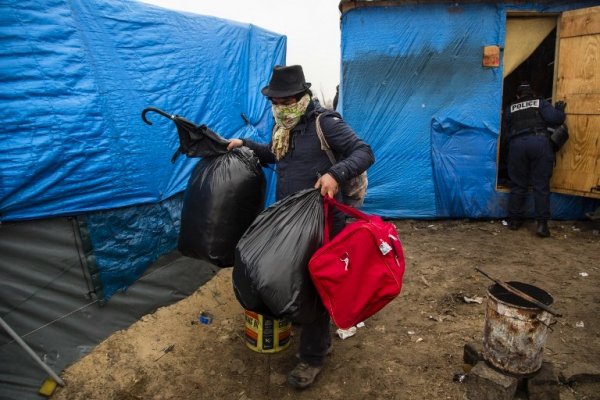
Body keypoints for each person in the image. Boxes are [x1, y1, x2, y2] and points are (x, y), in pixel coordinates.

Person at [227, 64, 374, 389]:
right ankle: (297, 321)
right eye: (275, 102)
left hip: (321, 222)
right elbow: (276, 157)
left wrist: (335, 174)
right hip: (289, 220)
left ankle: (313, 356)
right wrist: (246, 144)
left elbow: (364, 152)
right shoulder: (285, 128)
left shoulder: (325, 123)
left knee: (315, 285)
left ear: (302, 97)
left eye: (285, 100)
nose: (280, 107)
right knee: (291, 277)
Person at [501, 82, 566, 238]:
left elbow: (504, 134)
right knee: (541, 185)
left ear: (518, 95)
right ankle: (542, 225)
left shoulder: (510, 108)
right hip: (539, 143)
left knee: (518, 184)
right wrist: (560, 110)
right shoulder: (540, 103)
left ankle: (515, 221)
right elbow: (556, 119)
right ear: (533, 93)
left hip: (517, 146)